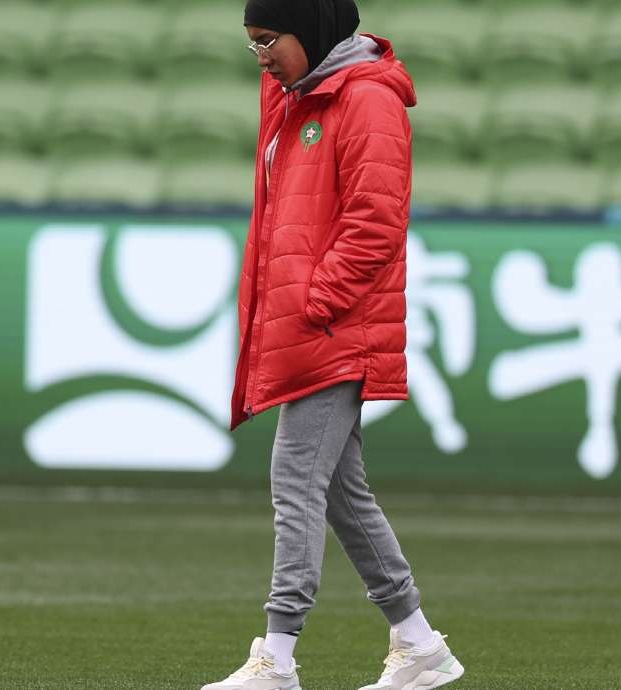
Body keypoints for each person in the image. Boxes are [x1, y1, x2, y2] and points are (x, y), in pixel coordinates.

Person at [201, 1, 465, 689]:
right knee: (342, 493)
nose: (260, 56)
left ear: (310, 31)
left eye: (269, 40)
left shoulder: (367, 101)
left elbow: (376, 223)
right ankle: (418, 643)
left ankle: (278, 658)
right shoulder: (298, 94)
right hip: (315, 324)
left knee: (294, 479)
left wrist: (317, 301)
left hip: (335, 326)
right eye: (253, 43)